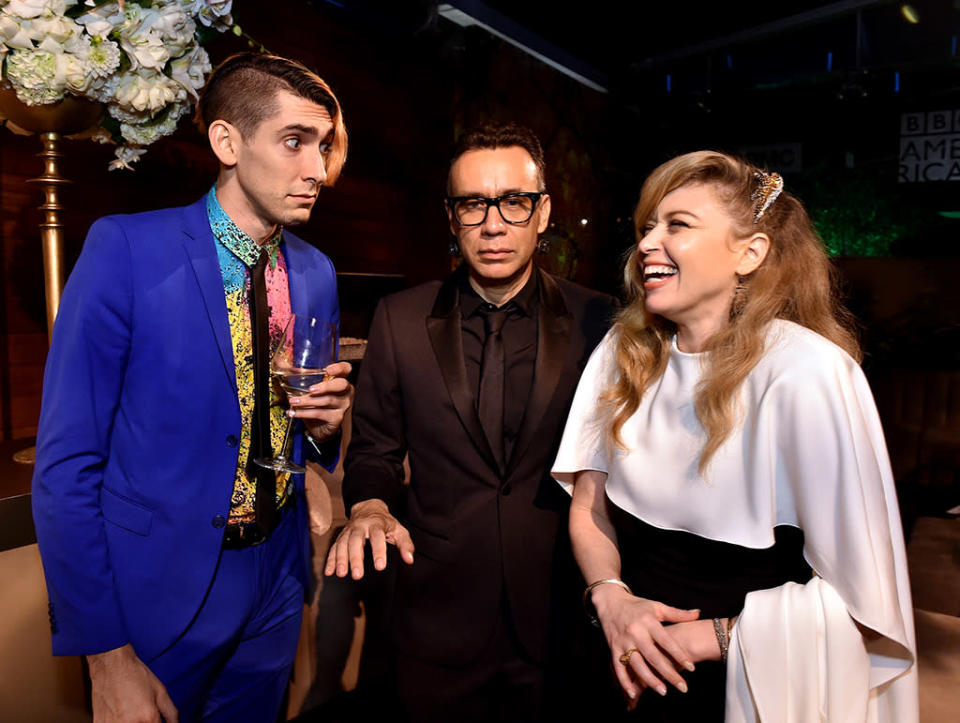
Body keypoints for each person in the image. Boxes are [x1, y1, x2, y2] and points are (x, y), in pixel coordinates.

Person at [31, 52, 352, 722]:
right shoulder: (125, 249)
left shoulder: (317, 271)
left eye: (322, 145)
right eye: (294, 142)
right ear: (227, 142)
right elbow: (65, 467)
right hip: (160, 589)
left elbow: (305, 436)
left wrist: (321, 430)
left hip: (276, 583)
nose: (317, 170)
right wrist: (106, 653)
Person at [552, 151, 918, 721]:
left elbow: (864, 605)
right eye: (647, 226)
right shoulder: (622, 353)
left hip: (743, 684)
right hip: (616, 651)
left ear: (750, 254)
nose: (648, 243)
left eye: (678, 225)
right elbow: (590, 506)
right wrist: (611, 596)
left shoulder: (809, 374)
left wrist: (711, 639)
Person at [324, 122, 618, 721]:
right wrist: (371, 507)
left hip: (560, 619)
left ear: (543, 212)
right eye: (473, 204)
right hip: (435, 618)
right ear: (451, 217)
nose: (493, 224)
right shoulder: (399, 319)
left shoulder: (601, 321)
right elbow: (374, 449)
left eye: (514, 202)